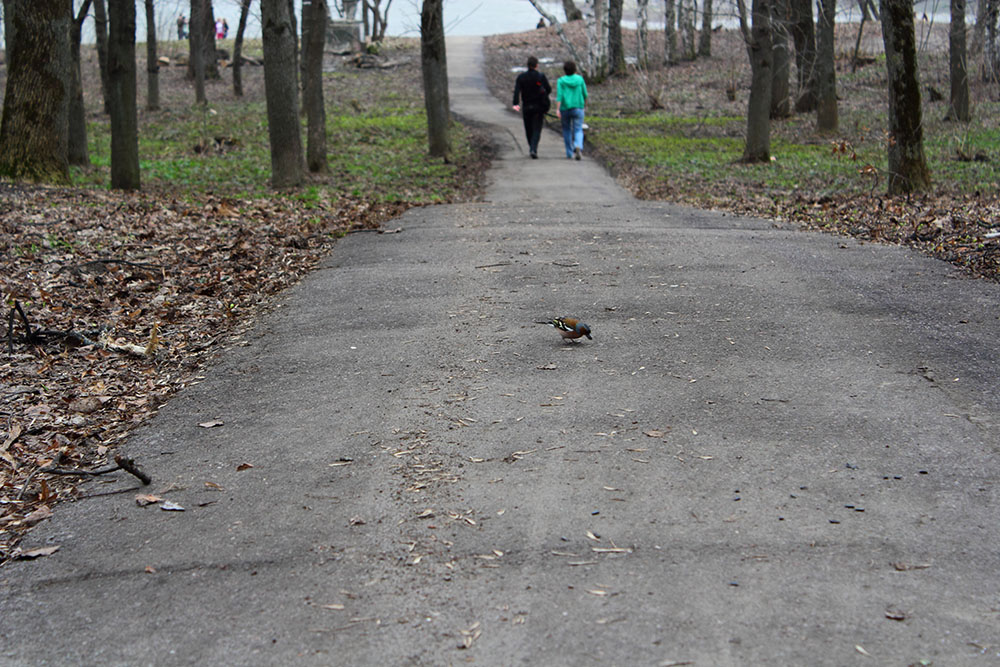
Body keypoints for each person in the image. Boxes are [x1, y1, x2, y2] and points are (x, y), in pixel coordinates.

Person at [511, 56, 552, 159]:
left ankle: (531, 146)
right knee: (537, 129)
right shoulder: (541, 76)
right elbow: (548, 89)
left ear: (527, 65)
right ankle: (533, 148)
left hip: (526, 106)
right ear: (536, 65)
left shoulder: (521, 77)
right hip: (538, 106)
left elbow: (517, 91)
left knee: (528, 128)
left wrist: (516, 104)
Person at [555, 60, 588, 160]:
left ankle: (569, 152)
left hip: (565, 108)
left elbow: (559, 96)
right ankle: (578, 145)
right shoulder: (580, 79)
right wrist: (585, 105)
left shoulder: (561, 81)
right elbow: (585, 94)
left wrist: (557, 109)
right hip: (578, 107)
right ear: (575, 70)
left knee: (566, 129)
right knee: (578, 129)